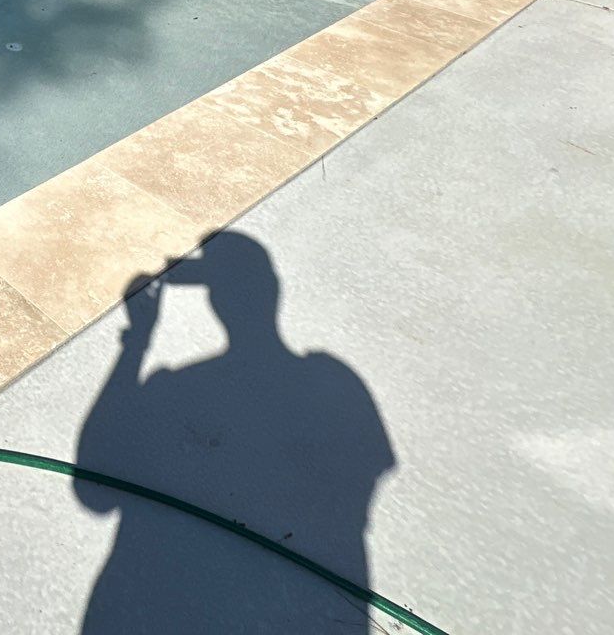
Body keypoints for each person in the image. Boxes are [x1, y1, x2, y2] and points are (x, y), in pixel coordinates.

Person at [75, 232, 394, 631]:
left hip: (162, 605)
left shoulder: (177, 389)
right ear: (273, 292)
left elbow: (93, 491)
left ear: (216, 302)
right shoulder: (336, 383)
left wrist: (136, 341)